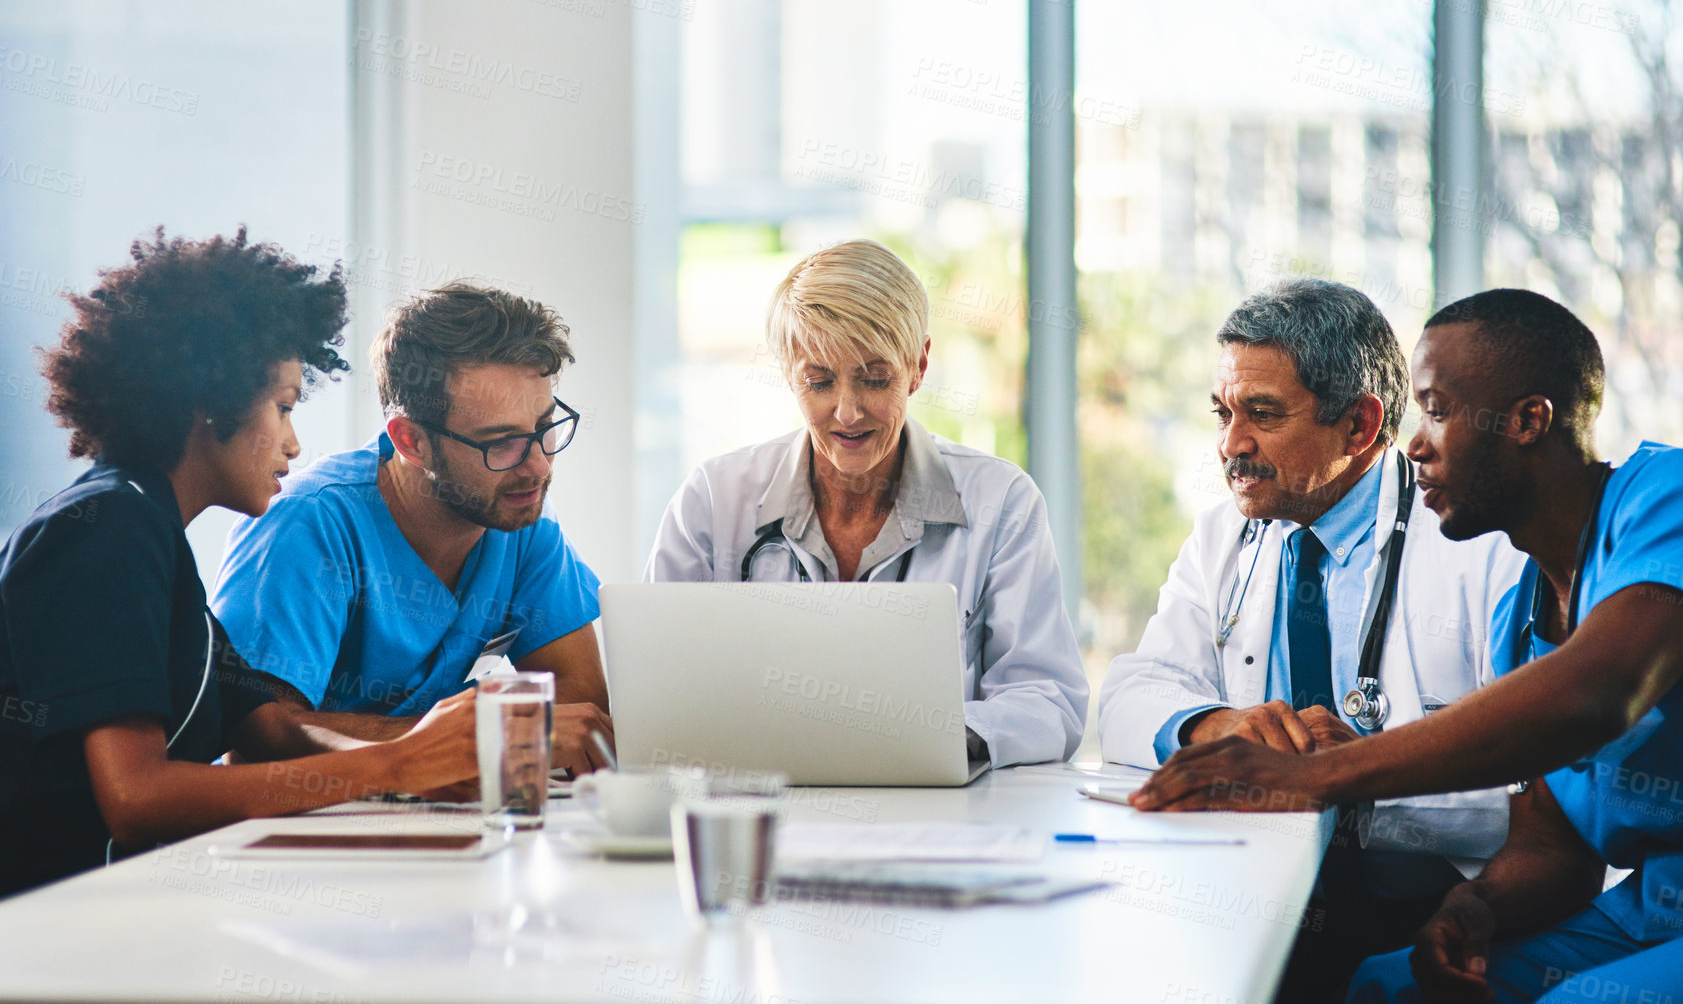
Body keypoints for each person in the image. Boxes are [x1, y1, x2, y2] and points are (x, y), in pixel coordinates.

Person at [1128, 290, 1683, 1002]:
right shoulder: (1522, 615)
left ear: (1526, 421)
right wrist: (1472, 910)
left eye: (1438, 412)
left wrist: (1315, 776)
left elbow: (1598, 693)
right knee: (1385, 985)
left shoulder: (1663, 500)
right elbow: (1552, 843)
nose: (1415, 442)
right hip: (1646, 912)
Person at [0, 230, 479, 896]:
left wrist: (454, 742)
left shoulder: (154, 538)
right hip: (47, 934)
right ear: (210, 403)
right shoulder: (106, 528)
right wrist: (396, 765)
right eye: (282, 406)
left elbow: (272, 725)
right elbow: (135, 797)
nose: (293, 440)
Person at [1098, 278, 1524, 999]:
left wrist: (1352, 776)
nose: (1230, 444)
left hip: (1444, 905)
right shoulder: (1223, 536)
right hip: (1261, 898)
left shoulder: (1478, 546)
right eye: (1223, 412)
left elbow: (1531, 787)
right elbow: (1127, 695)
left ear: (1359, 426)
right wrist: (1214, 725)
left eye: (1262, 414)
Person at [644, 240, 1087, 767]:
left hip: (939, 819)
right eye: (820, 381)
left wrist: (929, 741)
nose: (848, 412)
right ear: (789, 373)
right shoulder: (713, 500)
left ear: (918, 367)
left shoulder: (1002, 503)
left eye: (875, 379)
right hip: (762, 809)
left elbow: (1048, 699)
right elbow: (656, 684)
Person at [212, 282, 612, 775]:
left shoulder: (523, 528)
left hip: (441, 826)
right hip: (300, 832)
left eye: (544, 428)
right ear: (411, 440)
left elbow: (584, 725)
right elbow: (256, 737)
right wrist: (475, 737)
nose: (538, 467)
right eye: (501, 443)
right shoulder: (307, 526)